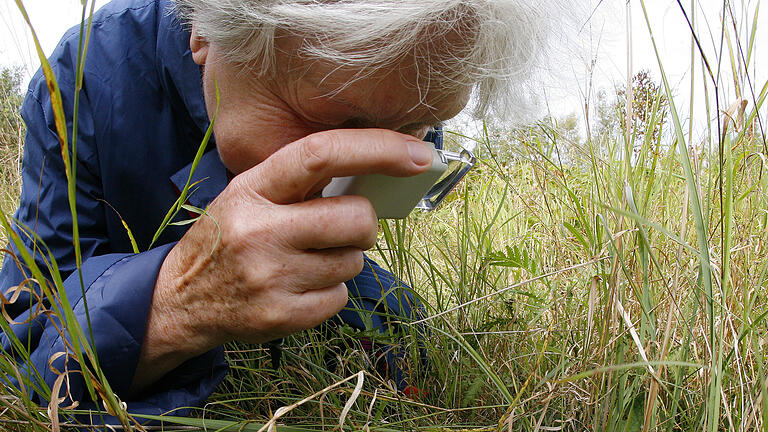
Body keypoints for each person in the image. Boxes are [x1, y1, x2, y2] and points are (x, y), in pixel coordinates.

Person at [0, 0, 567, 419]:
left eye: (417, 129)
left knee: (410, 335)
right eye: (328, 124)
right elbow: (19, 344)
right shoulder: (80, 84)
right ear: (205, 32)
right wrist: (177, 303)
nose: (362, 171)